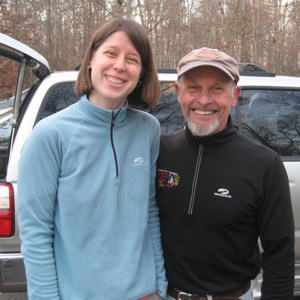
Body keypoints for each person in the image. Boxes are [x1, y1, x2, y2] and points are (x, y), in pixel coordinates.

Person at [17, 18, 167, 300]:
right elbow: (36, 232)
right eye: (111, 53)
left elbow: (149, 212)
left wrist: (159, 285)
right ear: (90, 60)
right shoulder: (49, 135)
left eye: (132, 59)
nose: (120, 66)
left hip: (144, 294)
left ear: (142, 73)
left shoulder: (148, 130)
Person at [156, 47, 294, 300]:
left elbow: (279, 255)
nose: (204, 100)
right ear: (179, 93)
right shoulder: (159, 152)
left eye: (217, 88)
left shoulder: (264, 164)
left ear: (234, 96)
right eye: (194, 88)